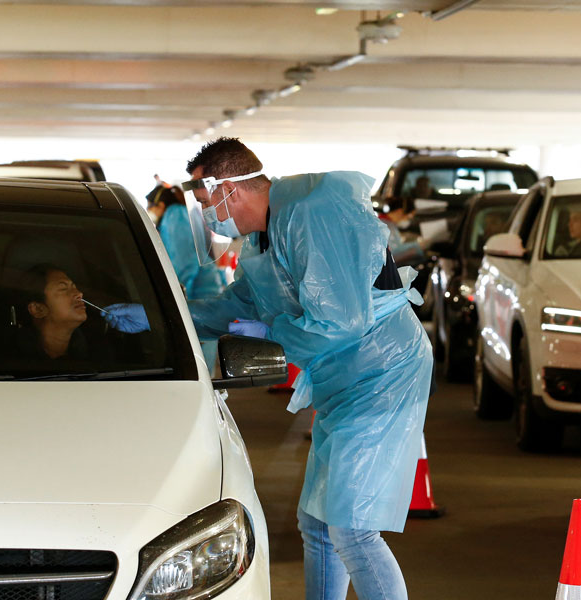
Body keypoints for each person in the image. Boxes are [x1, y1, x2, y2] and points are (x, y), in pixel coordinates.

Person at [180, 137, 432, 600]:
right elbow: (242, 301)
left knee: (351, 529)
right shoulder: (264, 236)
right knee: (317, 522)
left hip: (382, 374)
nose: (205, 215)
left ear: (229, 191)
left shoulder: (314, 212)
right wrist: (171, 316)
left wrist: (271, 336)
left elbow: (340, 321)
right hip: (344, 381)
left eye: (204, 202)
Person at [145, 177, 226, 370]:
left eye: (151, 207)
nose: (150, 213)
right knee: (202, 363)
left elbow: (185, 262)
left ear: (162, 205)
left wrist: (176, 299)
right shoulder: (183, 213)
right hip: (206, 294)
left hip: (196, 296)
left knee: (198, 365)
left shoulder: (175, 215)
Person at [16, 264, 90, 360]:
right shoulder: (10, 359)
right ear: (37, 309)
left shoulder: (96, 352)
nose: (79, 294)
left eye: (74, 287)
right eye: (63, 289)